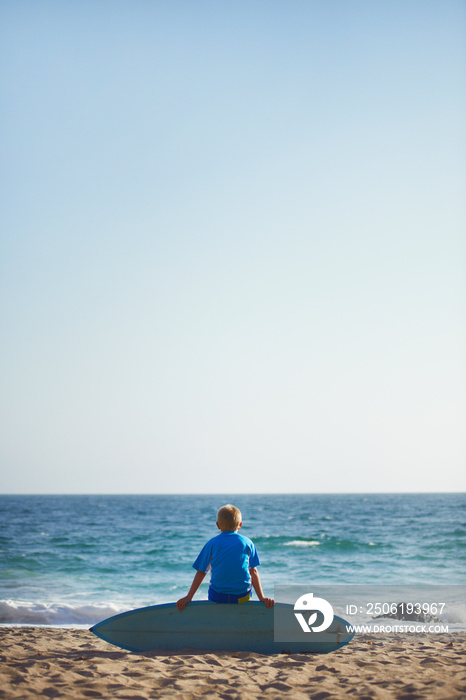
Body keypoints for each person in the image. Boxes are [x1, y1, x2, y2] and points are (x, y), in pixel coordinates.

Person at [176, 504, 274, 610]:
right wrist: (262, 598)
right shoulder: (247, 542)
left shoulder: (212, 543)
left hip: (218, 597)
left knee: (214, 585)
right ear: (240, 525)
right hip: (241, 598)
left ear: (218, 525)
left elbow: (201, 572)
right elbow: (253, 571)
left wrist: (189, 597)